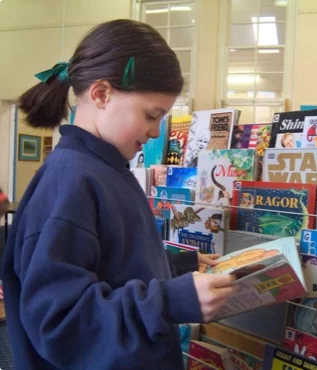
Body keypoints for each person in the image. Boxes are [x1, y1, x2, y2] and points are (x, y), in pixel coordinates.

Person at [2, 19, 236, 370]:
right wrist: (170, 301)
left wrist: (176, 268)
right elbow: (61, 323)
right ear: (101, 94)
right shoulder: (71, 181)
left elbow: (109, 267)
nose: (156, 133)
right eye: (151, 115)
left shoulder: (106, 168)